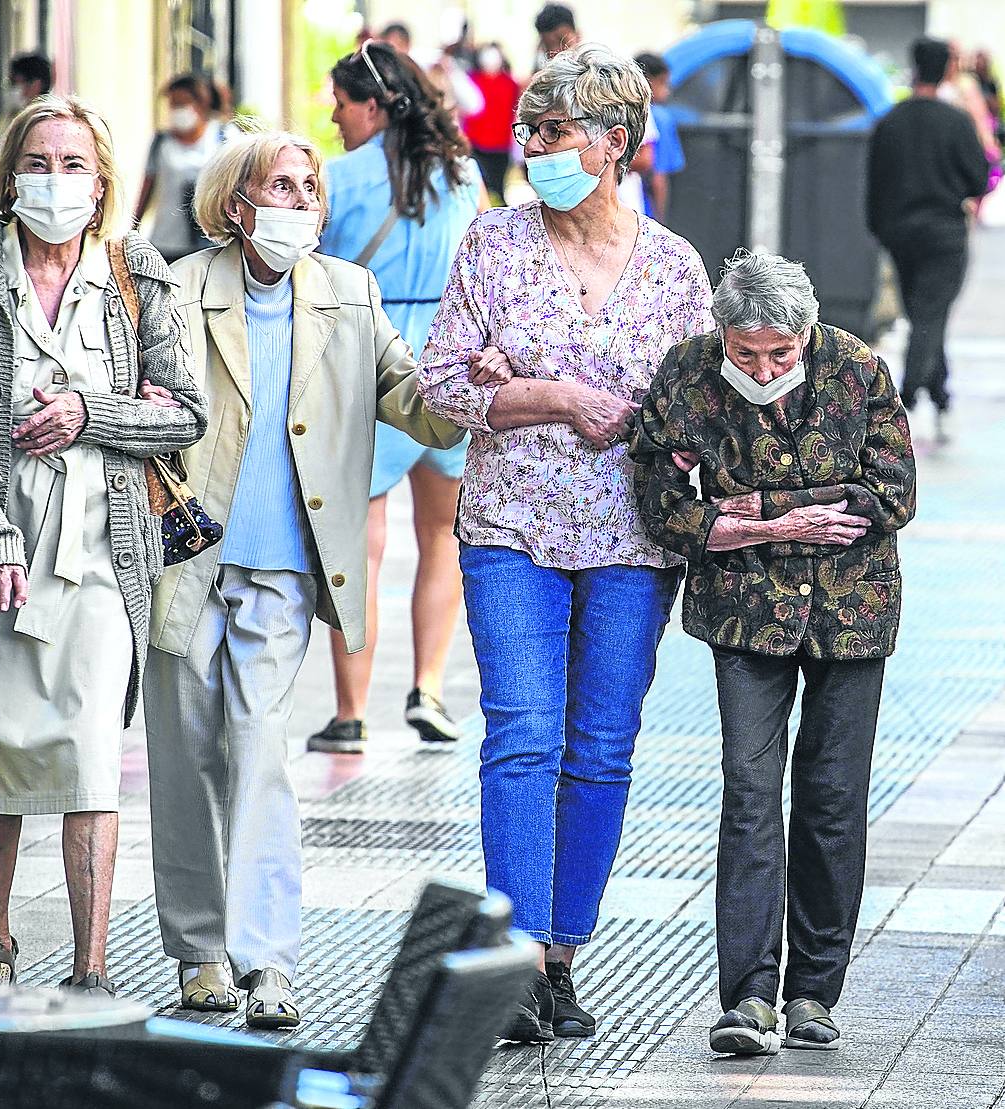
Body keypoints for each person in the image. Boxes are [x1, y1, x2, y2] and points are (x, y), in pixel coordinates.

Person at [142, 130, 508, 1030]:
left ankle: (267, 959)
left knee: (261, 751)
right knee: (185, 760)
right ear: (236, 205)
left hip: (281, 568)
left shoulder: (350, 291)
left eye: (309, 186)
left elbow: (416, 405)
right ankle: (199, 951)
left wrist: (471, 386)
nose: (302, 200)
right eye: (282, 186)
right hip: (184, 561)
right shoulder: (176, 289)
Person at [418, 43, 713, 1044]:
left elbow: (701, 406)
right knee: (522, 734)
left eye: (554, 132)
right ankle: (511, 962)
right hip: (512, 525)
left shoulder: (674, 266)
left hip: (633, 537)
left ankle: (560, 958)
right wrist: (547, 395)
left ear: (613, 142)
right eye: (529, 131)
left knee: (599, 746)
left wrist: (681, 437)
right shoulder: (493, 244)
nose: (533, 147)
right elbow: (442, 384)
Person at [0, 94, 208, 997]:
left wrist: (90, 412)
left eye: (74, 165)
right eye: (37, 163)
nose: (55, 181)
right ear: (8, 177)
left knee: (88, 751)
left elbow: (184, 411)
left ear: (102, 182)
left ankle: (90, 966)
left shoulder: (135, 271)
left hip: (103, 549)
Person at [631, 251, 916, 1056]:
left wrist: (748, 509)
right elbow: (655, 495)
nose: (760, 369)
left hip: (850, 613)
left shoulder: (857, 369)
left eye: (777, 353)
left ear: (805, 333)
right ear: (721, 335)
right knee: (749, 792)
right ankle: (749, 996)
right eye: (744, 352)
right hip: (743, 613)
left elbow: (889, 495)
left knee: (831, 796)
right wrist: (773, 522)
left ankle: (813, 992)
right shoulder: (689, 371)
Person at [307, 41, 484, 755]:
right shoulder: (463, 173)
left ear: (374, 107)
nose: (334, 118)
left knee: (359, 546)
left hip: (365, 361)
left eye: (341, 105)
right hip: (449, 362)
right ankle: (429, 688)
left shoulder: (337, 179)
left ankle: (350, 713)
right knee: (443, 536)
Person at [867, 37, 989, 441]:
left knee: (923, 313)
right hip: (944, 232)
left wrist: (880, 229)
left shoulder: (890, 121)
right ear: (948, 69)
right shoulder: (956, 122)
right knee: (930, 314)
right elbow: (978, 178)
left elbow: (874, 183)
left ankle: (940, 394)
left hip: (900, 233)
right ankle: (908, 394)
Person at [135, 74, 238, 263]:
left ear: (202, 104)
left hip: (213, 242)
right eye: (173, 104)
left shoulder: (225, 138)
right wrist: (134, 226)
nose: (177, 110)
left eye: (182, 103)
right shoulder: (162, 143)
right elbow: (148, 185)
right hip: (167, 242)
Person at [465, 43, 520, 203]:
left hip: (500, 147)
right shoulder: (472, 80)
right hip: (476, 145)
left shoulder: (510, 83)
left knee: (497, 187)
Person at [635, 51, 685, 222]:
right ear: (648, 81)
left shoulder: (623, 112)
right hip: (643, 208)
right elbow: (658, 177)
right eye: (663, 82)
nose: (667, 90)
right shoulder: (660, 118)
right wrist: (660, 220)